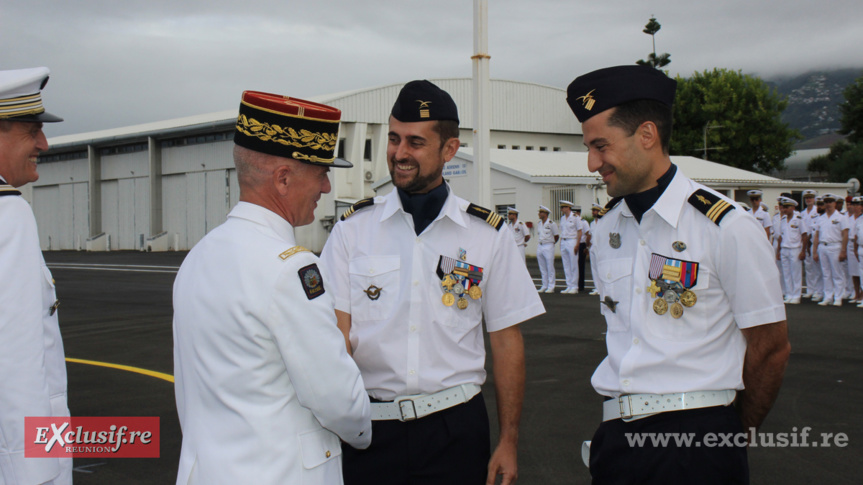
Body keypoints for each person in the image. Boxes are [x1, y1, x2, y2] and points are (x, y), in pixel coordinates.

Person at [566, 65, 790, 484]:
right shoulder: (606, 229)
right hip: (616, 439)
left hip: (697, 443)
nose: (593, 162)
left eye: (601, 146)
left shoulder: (725, 225)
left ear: (647, 135)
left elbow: (770, 346)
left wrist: (731, 437)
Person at [320, 80, 545, 485]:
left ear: (449, 149)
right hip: (372, 430)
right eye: (393, 139)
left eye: (415, 142)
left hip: (455, 430)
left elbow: (506, 340)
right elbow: (335, 334)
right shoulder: (353, 230)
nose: (399, 153)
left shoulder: (486, 235)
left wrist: (509, 440)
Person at [172, 91, 372, 485]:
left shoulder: (199, 256)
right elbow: (335, 398)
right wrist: (364, 432)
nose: (327, 187)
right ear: (282, 179)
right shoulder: (293, 268)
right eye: (320, 173)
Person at [0, 67, 72, 485]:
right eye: (31, 131)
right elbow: (14, 360)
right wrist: (34, 474)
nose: (43, 144)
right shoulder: (8, 215)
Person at [812, 193, 851, 307]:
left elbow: (845, 234)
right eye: (826, 202)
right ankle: (828, 296)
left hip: (835, 246)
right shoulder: (821, 218)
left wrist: (843, 250)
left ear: (835, 203)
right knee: (826, 273)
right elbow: (817, 235)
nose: (828, 204)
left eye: (830, 202)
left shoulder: (841, 217)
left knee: (837, 273)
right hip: (823, 246)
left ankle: (838, 297)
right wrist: (815, 251)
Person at [776, 197, 804, 304]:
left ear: (793, 207)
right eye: (784, 207)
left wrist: (802, 251)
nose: (785, 209)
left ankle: (796, 295)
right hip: (784, 248)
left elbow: (804, 235)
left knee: (795, 273)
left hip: (795, 249)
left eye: (787, 207)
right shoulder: (783, 220)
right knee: (786, 273)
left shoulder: (798, 219)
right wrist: (778, 251)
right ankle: (789, 294)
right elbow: (780, 237)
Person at [800, 190, 822, 300]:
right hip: (805, 243)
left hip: (814, 242)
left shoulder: (817, 212)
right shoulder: (802, 213)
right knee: (808, 268)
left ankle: (818, 291)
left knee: (816, 269)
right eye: (807, 198)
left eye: (811, 197)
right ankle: (810, 289)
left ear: (814, 199)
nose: (808, 200)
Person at [559, 200, 582, 294]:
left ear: (568, 207)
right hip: (564, 241)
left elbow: (579, 231)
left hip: (572, 241)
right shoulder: (562, 218)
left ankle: (575, 286)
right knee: (566, 265)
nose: (561, 209)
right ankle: (569, 285)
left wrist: (577, 244)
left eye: (563, 207)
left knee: (573, 265)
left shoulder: (575, 217)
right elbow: (562, 231)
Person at [536, 205, 559, 293]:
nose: (539, 214)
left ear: (545, 214)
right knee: (542, 267)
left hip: (548, 245)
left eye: (540, 212)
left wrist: (551, 243)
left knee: (550, 266)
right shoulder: (539, 223)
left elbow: (556, 236)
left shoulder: (551, 223)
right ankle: (544, 285)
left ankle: (551, 286)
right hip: (540, 245)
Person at [587, 203, 603, 296]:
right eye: (593, 211)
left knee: (600, 268)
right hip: (593, 246)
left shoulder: (603, 221)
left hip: (600, 247)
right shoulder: (592, 223)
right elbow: (590, 235)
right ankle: (597, 288)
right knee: (594, 268)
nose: (593, 212)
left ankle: (602, 288)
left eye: (595, 210)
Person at [575, 206, 590, 292]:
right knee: (574, 265)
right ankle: (574, 284)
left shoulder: (583, 222)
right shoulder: (573, 222)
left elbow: (588, 234)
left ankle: (581, 285)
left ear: (578, 213)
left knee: (580, 265)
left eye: (575, 213)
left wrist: (587, 247)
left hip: (581, 244)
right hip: (575, 244)